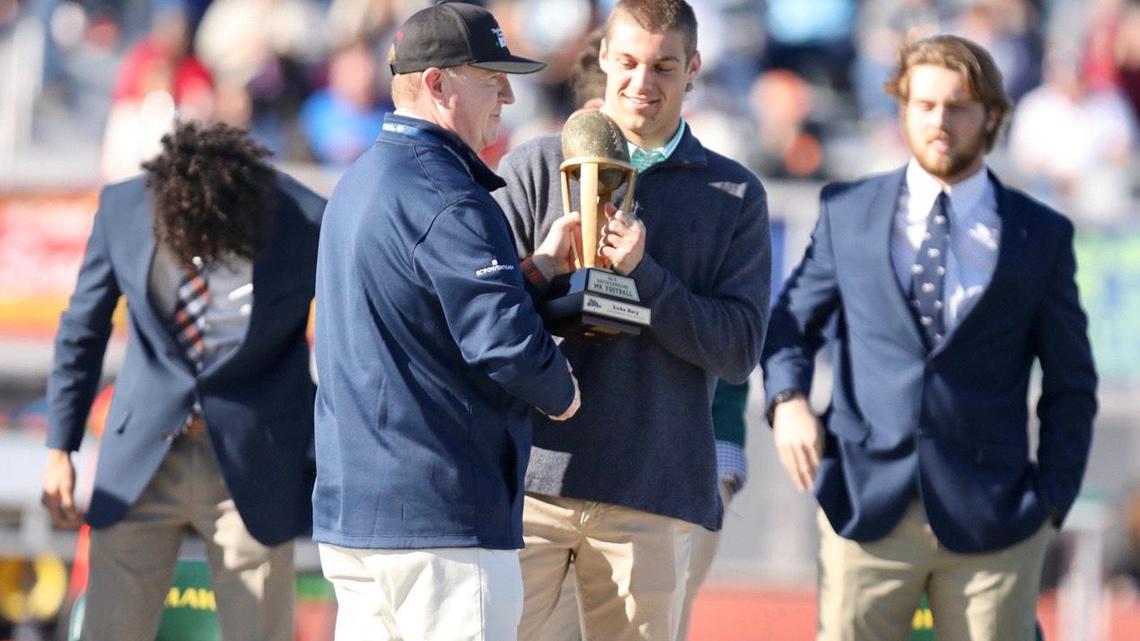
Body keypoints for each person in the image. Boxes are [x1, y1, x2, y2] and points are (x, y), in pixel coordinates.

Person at [762, 34, 1097, 641]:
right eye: (924, 104)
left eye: (958, 106)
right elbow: (790, 321)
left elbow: (1071, 382)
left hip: (994, 519)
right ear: (903, 109)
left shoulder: (1040, 235)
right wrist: (787, 400)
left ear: (991, 115)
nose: (939, 121)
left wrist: (1051, 499)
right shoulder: (848, 211)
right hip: (864, 506)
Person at [494, 1, 772, 639]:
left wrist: (647, 278)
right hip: (529, 485)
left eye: (664, 66)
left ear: (694, 68)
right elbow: (483, 319)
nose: (642, 82)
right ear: (602, 59)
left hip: (650, 495)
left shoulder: (734, 195)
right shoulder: (534, 167)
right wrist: (543, 270)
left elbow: (737, 351)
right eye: (627, 62)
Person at [311, 4, 582, 640]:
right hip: (442, 524)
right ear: (436, 83)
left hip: (357, 513)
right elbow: (505, 344)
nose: (508, 95)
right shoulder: (447, 193)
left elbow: (422, 314)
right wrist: (564, 391)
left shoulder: (359, 180)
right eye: (491, 77)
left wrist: (536, 270)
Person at [41, 120, 325, 641]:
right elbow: (82, 330)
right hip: (142, 457)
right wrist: (61, 448)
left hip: (253, 460)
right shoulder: (124, 210)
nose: (198, 257)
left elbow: (339, 344)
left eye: (214, 247)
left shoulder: (305, 220)